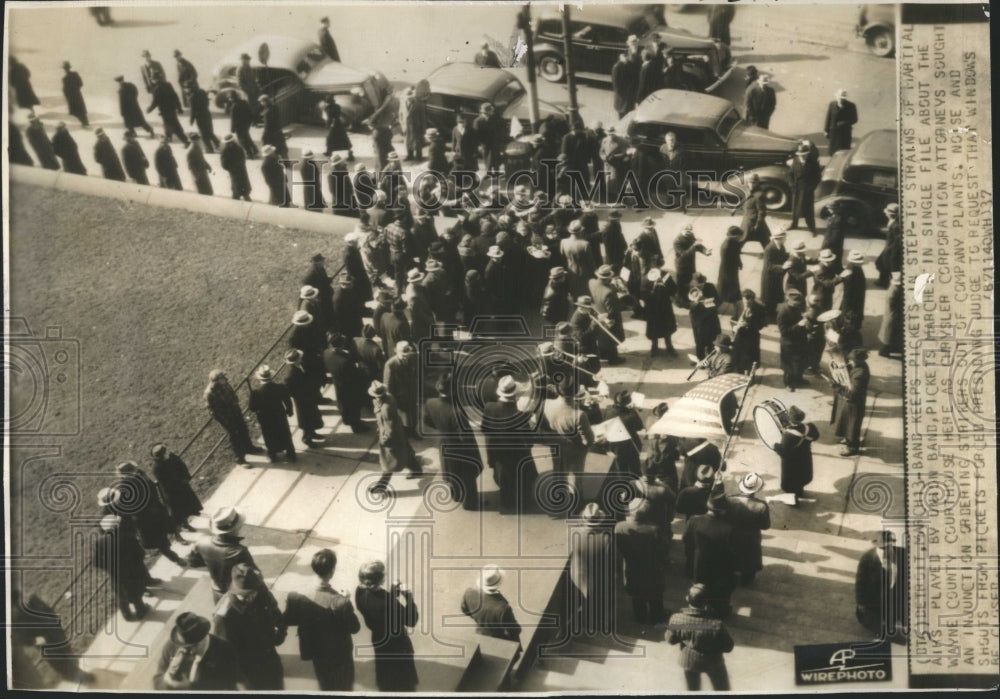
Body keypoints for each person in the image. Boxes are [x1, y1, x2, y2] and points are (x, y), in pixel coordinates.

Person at [283, 548, 361, 690]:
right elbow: (355, 628)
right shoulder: (340, 601)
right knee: (345, 685)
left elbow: (289, 619)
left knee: (325, 683)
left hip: (317, 651)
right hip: (340, 653)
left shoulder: (298, 596)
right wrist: (346, 600)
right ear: (332, 572)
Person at [213, 563, 286, 690]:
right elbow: (225, 653)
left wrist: (280, 633)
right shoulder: (224, 616)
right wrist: (240, 679)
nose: (253, 596)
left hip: (270, 657)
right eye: (246, 594)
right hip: (250, 669)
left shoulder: (259, 590)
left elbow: (275, 612)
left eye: (254, 592)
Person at [10, 588, 97, 687]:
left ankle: (73, 668)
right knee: (57, 657)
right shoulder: (14, 615)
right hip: (40, 636)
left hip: (50, 626)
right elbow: (16, 636)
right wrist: (34, 640)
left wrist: (53, 616)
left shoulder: (27, 598)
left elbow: (42, 607)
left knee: (65, 648)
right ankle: (74, 674)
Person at [424, 373, 483, 509]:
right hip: (459, 447)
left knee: (451, 471)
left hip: (444, 442)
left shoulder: (430, 402)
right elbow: (465, 436)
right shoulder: (456, 411)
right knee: (467, 475)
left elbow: (426, 421)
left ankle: (456, 495)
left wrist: (443, 430)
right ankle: (470, 503)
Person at [482, 376, 538, 514]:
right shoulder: (520, 415)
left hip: (498, 454)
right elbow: (529, 441)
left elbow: (485, 429)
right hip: (518, 455)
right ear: (515, 394)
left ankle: (507, 503)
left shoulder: (489, 407)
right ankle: (523, 504)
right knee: (523, 480)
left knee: (503, 479)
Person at [114, 461, 186, 564]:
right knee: (160, 541)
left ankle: (177, 538)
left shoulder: (139, 477)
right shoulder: (123, 489)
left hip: (156, 511)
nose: (135, 472)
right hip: (145, 520)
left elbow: (152, 488)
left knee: (168, 530)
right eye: (133, 471)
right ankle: (175, 558)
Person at [154, 612, 248, 690]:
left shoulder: (224, 650)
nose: (185, 651)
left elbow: (229, 683)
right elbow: (157, 680)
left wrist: (190, 687)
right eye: (183, 646)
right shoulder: (171, 646)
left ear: (202, 638)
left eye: (190, 647)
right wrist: (166, 679)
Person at [667, 583, 735, 691]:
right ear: (706, 602)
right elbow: (729, 647)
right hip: (713, 662)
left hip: (689, 661)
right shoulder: (716, 625)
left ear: (687, 598)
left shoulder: (676, 619)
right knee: (722, 689)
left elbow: (670, 640)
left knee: (692, 689)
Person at [615, 498, 669, 629]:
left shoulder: (620, 527)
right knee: (655, 594)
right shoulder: (654, 529)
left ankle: (640, 616)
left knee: (636, 594)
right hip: (652, 568)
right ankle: (657, 616)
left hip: (631, 566)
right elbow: (662, 550)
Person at [542, 377, 595, 508]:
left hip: (556, 443)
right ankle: (575, 503)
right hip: (574, 448)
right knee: (574, 475)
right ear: (576, 392)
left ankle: (557, 496)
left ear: (558, 391)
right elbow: (588, 439)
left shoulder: (546, 404)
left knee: (558, 469)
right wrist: (589, 442)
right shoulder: (579, 414)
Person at [187, 506, 256, 601]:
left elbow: (192, 562)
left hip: (217, 591)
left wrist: (213, 564)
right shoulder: (239, 551)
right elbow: (252, 578)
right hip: (237, 595)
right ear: (237, 527)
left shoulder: (201, 541)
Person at [567, 504, 617, 637]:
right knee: (600, 603)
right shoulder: (607, 538)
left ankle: (584, 622)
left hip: (577, 576)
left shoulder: (574, 533)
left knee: (583, 601)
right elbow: (609, 563)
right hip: (598, 578)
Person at [683, 491, 736, 615]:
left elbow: (686, 540)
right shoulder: (728, 528)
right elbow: (732, 552)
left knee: (698, 591)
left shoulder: (693, 520)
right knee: (719, 594)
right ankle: (720, 612)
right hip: (719, 570)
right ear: (723, 510)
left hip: (698, 567)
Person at [92, 514, 150, 620]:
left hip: (115, 575)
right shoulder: (127, 537)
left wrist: (110, 568)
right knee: (136, 591)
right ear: (116, 526)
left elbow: (96, 562)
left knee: (121, 594)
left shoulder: (100, 542)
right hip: (132, 572)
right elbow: (140, 553)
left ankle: (126, 615)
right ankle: (140, 610)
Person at [369, 381, 422, 495]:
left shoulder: (386, 408)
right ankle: (417, 470)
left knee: (389, 463)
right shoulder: (386, 399)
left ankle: (380, 487)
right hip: (398, 434)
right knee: (405, 453)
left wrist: (384, 439)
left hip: (392, 438)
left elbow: (390, 427)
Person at [855, 531, 909, 642]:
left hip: (896, 598)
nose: (887, 550)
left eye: (889, 546)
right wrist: (861, 603)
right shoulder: (867, 559)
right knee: (884, 629)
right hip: (875, 602)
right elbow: (860, 583)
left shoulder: (903, 554)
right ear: (875, 544)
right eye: (883, 548)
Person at [204, 370, 261, 464]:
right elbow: (213, 412)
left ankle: (249, 448)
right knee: (234, 437)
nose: (226, 379)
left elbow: (232, 394)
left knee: (243, 429)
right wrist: (226, 421)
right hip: (227, 418)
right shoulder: (209, 394)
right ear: (216, 380)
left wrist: (236, 404)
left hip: (235, 412)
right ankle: (240, 459)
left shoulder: (224, 384)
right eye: (223, 378)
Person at [726, 473, 771, 585]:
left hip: (732, 534)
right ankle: (746, 580)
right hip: (751, 538)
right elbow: (765, 525)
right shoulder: (761, 506)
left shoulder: (729, 500)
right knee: (749, 559)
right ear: (756, 489)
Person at [461, 565, 521, 643]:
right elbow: (515, 630)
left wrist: (481, 620)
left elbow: (465, 610)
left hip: (480, 637)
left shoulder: (469, 593)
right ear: (498, 583)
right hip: (501, 642)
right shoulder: (503, 609)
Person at [248, 365, 296, 462]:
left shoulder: (256, 393)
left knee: (269, 436)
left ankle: (272, 454)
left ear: (260, 378)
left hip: (266, 419)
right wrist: (289, 410)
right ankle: (291, 453)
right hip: (280, 415)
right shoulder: (279, 387)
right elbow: (287, 400)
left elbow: (252, 407)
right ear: (271, 376)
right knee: (285, 433)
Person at [150, 443, 201, 532]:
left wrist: (185, 478)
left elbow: (181, 466)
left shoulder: (171, 457)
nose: (165, 455)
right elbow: (166, 482)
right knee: (178, 511)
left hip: (181, 485)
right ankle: (184, 525)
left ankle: (190, 516)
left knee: (187, 504)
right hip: (172, 492)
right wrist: (178, 484)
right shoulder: (157, 467)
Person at [324, 333, 369, 433]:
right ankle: (356, 426)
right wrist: (360, 369)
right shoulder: (344, 361)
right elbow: (354, 375)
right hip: (349, 387)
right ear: (341, 345)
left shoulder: (326, 353)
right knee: (353, 406)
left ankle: (347, 420)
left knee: (344, 405)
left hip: (338, 384)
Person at [775, 405, 819, 502]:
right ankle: (799, 491)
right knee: (801, 476)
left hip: (792, 462)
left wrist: (775, 446)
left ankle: (793, 500)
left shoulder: (788, 435)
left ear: (790, 419)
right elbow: (816, 437)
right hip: (804, 457)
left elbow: (784, 452)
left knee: (791, 482)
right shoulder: (810, 427)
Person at [833, 348, 870, 456]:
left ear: (858, 361)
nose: (849, 362)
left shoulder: (860, 374)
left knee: (852, 425)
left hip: (854, 403)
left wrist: (837, 388)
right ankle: (847, 439)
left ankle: (852, 447)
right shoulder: (861, 366)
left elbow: (852, 394)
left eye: (851, 360)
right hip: (852, 403)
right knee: (846, 422)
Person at [284, 349, 324, 447]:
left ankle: (313, 433)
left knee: (313, 416)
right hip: (302, 401)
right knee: (306, 420)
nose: (301, 359)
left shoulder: (301, 366)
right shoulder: (290, 376)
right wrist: (303, 395)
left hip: (309, 397)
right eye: (299, 358)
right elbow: (291, 392)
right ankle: (307, 438)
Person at [589, 265, 626, 365]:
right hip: (608, 318)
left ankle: (603, 354)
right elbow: (612, 311)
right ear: (607, 278)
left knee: (601, 337)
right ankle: (613, 359)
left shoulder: (592, 283)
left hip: (597, 314)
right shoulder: (608, 293)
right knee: (612, 338)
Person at [777, 289, 809, 389]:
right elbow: (784, 332)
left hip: (799, 341)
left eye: (798, 303)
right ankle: (788, 383)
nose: (798, 305)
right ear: (789, 301)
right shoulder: (783, 312)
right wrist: (799, 325)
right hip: (789, 343)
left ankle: (799, 378)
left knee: (800, 362)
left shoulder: (796, 308)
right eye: (796, 303)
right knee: (789, 366)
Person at [644, 267, 678, 358]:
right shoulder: (646, 278)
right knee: (653, 329)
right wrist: (652, 290)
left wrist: (664, 286)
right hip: (653, 308)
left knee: (667, 329)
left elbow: (674, 290)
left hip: (665, 308)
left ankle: (669, 346)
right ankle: (654, 347)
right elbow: (643, 293)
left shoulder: (666, 276)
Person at [788, 142, 822, 233]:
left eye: (804, 155)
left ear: (807, 154)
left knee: (808, 209)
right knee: (795, 208)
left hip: (807, 190)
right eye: (800, 155)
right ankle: (794, 224)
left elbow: (817, 178)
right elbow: (790, 174)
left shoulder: (813, 163)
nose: (802, 157)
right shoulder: (795, 161)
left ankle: (811, 227)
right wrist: (792, 185)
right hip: (796, 189)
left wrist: (811, 188)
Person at [730, 289, 765, 374]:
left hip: (752, 337)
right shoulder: (738, 304)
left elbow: (761, 324)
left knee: (751, 358)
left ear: (752, 300)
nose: (746, 303)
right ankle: (739, 374)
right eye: (744, 300)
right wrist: (734, 327)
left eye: (748, 301)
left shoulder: (760, 308)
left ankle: (751, 376)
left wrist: (749, 324)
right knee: (739, 357)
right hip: (740, 336)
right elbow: (733, 319)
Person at [147, 77, 189, 146]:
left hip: (165, 112)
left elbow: (155, 102)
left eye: (153, 80)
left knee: (174, 126)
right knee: (169, 124)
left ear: (155, 80)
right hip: (171, 109)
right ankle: (169, 136)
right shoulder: (168, 85)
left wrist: (149, 109)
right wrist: (179, 108)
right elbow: (175, 96)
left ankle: (185, 141)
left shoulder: (157, 89)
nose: (152, 81)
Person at [759, 227, 789, 323]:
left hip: (777, 276)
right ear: (779, 238)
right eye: (785, 237)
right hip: (769, 277)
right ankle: (768, 317)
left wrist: (790, 257)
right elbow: (769, 266)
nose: (786, 239)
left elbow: (783, 256)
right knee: (769, 298)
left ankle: (772, 312)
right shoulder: (769, 249)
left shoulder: (781, 246)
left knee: (775, 296)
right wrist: (782, 267)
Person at [688, 278, 721, 361]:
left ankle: (711, 360)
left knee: (712, 341)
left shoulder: (710, 287)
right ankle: (701, 360)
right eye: (695, 285)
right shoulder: (693, 290)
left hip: (711, 320)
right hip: (699, 323)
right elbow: (689, 306)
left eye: (700, 285)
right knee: (699, 342)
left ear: (704, 283)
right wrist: (696, 303)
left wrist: (705, 299)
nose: (697, 287)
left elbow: (717, 301)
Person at [740, 173, 771, 248]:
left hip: (755, 221)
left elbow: (762, 211)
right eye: (750, 182)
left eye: (753, 182)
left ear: (757, 183)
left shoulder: (759, 195)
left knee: (763, 238)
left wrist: (758, 224)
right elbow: (745, 200)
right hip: (747, 219)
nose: (751, 184)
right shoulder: (748, 191)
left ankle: (769, 252)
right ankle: (737, 249)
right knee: (743, 236)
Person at [824, 88, 858, 155]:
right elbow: (828, 117)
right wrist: (826, 130)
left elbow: (854, 119)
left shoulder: (851, 106)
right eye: (840, 97)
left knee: (844, 153)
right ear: (836, 96)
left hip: (845, 134)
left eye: (843, 98)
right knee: (833, 153)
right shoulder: (832, 104)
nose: (842, 99)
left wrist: (844, 123)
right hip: (833, 133)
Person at [188, 84, 220, 152]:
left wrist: (191, 120)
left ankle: (209, 149)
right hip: (206, 113)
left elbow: (193, 110)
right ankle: (217, 142)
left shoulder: (192, 98)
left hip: (199, 117)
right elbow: (207, 101)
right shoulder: (202, 92)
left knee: (203, 134)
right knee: (209, 131)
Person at [879, 271, 904, 358]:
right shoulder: (896, 289)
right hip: (893, 315)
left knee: (889, 333)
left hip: (890, 314)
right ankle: (885, 351)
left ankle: (887, 349)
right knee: (890, 334)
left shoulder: (893, 287)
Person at [220, 134, 252, 201]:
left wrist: (236, 167)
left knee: (241, 188)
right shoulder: (228, 150)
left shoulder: (235, 148)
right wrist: (233, 168)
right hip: (237, 171)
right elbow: (224, 164)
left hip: (238, 171)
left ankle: (244, 198)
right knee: (238, 188)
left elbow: (243, 158)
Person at [258, 95, 288, 160]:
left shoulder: (267, 112)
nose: (261, 104)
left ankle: (274, 160)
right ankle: (286, 161)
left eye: (261, 102)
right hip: (278, 130)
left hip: (271, 134)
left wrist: (263, 136)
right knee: (282, 148)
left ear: (265, 102)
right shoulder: (275, 107)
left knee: (274, 148)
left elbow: (267, 125)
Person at [840, 250, 867, 321]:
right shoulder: (852, 272)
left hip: (857, 294)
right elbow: (847, 295)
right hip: (854, 297)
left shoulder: (853, 268)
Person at [229, 92, 258, 158]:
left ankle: (249, 153)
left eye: (230, 98)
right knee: (247, 136)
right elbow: (250, 112)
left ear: (233, 98)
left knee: (242, 140)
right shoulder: (244, 102)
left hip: (239, 126)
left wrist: (232, 129)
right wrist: (252, 120)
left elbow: (233, 119)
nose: (229, 100)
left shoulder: (234, 106)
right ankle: (254, 149)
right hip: (246, 124)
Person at [611, 52, 639, 118]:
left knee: (629, 111)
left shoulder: (630, 65)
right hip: (622, 93)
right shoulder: (617, 67)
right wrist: (619, 92)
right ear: (620, 57)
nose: (625, 58)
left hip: (629, 92)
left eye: (626, 56)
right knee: (621, 111)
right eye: (624, 56)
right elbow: (615, 81)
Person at [60, 61, 88, 125]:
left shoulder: (65, 78)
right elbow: (81, 84)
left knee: (75, 111)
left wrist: (67, 96)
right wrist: (76, 89)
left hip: (71, 97)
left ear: (64, 69)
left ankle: (84, 122)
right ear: (70, 67)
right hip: (77, 95)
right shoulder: (75, 74)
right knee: (81, 109)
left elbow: (65, 90)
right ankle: (84, 121)